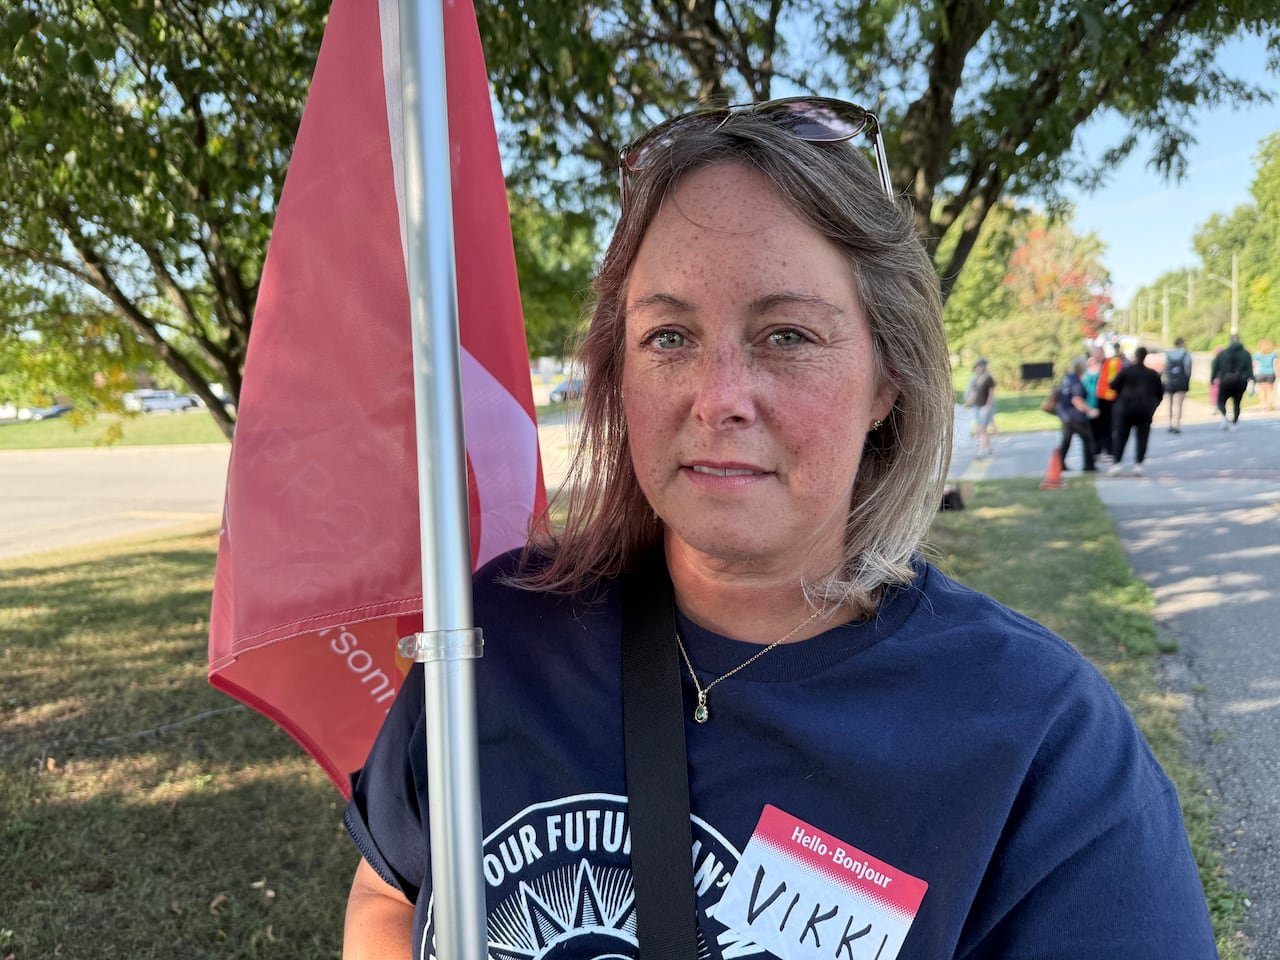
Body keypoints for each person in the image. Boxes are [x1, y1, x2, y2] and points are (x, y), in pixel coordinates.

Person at [341, 98, 1217, 958]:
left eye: (788, 334)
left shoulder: (1040, 742)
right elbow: (393, 889)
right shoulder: (495, 636)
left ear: (888, 381)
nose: (718, 397)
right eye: (670, 337)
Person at [1108, 346, 1165, 475]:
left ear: (1135, 356)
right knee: (1142, 437)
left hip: (1126, 408)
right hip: (1144, 410)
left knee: (1121, 436)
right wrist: (1153, 406)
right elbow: (1160, 394)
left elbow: (1112, 385)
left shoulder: (1126, 371)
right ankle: (1138, 464)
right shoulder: (1152, 374)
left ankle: (1117, 463)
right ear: (1145, 357)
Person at [1055, 357, 1097, 473]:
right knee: (1087, 438)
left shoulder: (1067, 379)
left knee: (1066, 440)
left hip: (1064, 414)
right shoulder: (1076, 382)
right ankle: (1089, 465)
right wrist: (1090, 411)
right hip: (1075, 416)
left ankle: (1059, 463)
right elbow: (1076, 400)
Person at [1211, 334, 1253, 429]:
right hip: (1241, 380)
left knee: (1221, 401)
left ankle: (1224, 417)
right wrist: (1251, 379)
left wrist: (1212, 378)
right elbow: (1249, 369)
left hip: (1225, 380)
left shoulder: (1222, 354)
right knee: (1237, 402)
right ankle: (1234, 422)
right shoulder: (1246, 354)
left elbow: (1215, 367)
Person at [966, 357, 996, 458]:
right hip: (977, 407)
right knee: (982, 429)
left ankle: (982, 449)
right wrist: (967, 404)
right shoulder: (976, 379)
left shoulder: (988, 379)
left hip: (984, 407)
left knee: (981, 429)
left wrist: (988, 406)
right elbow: (974, 394)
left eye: (981, 366)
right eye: (978, 366)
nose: (978, 368)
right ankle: (987, 448)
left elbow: (991, 394)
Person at [1162, 337, 1192, 433]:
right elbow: (1188, 369)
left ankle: (1170, 423)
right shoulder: (1186, 354)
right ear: (1182, 343)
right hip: (1181, 381)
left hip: (1170, 381)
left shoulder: (1168, 354)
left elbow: (1165, 368)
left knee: (1170, 403)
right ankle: (1177, 425)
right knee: (1179, 404)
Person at [1253, 338, 1277, 411]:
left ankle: (1263, 405)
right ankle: (1269, 405)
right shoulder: (1273, 353)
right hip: (1270, 373)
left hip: (1261, 373)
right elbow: (1276, 363)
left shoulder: (1258, 354)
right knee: (1270, 390)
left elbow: (1253, 360)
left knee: (1261, 390)